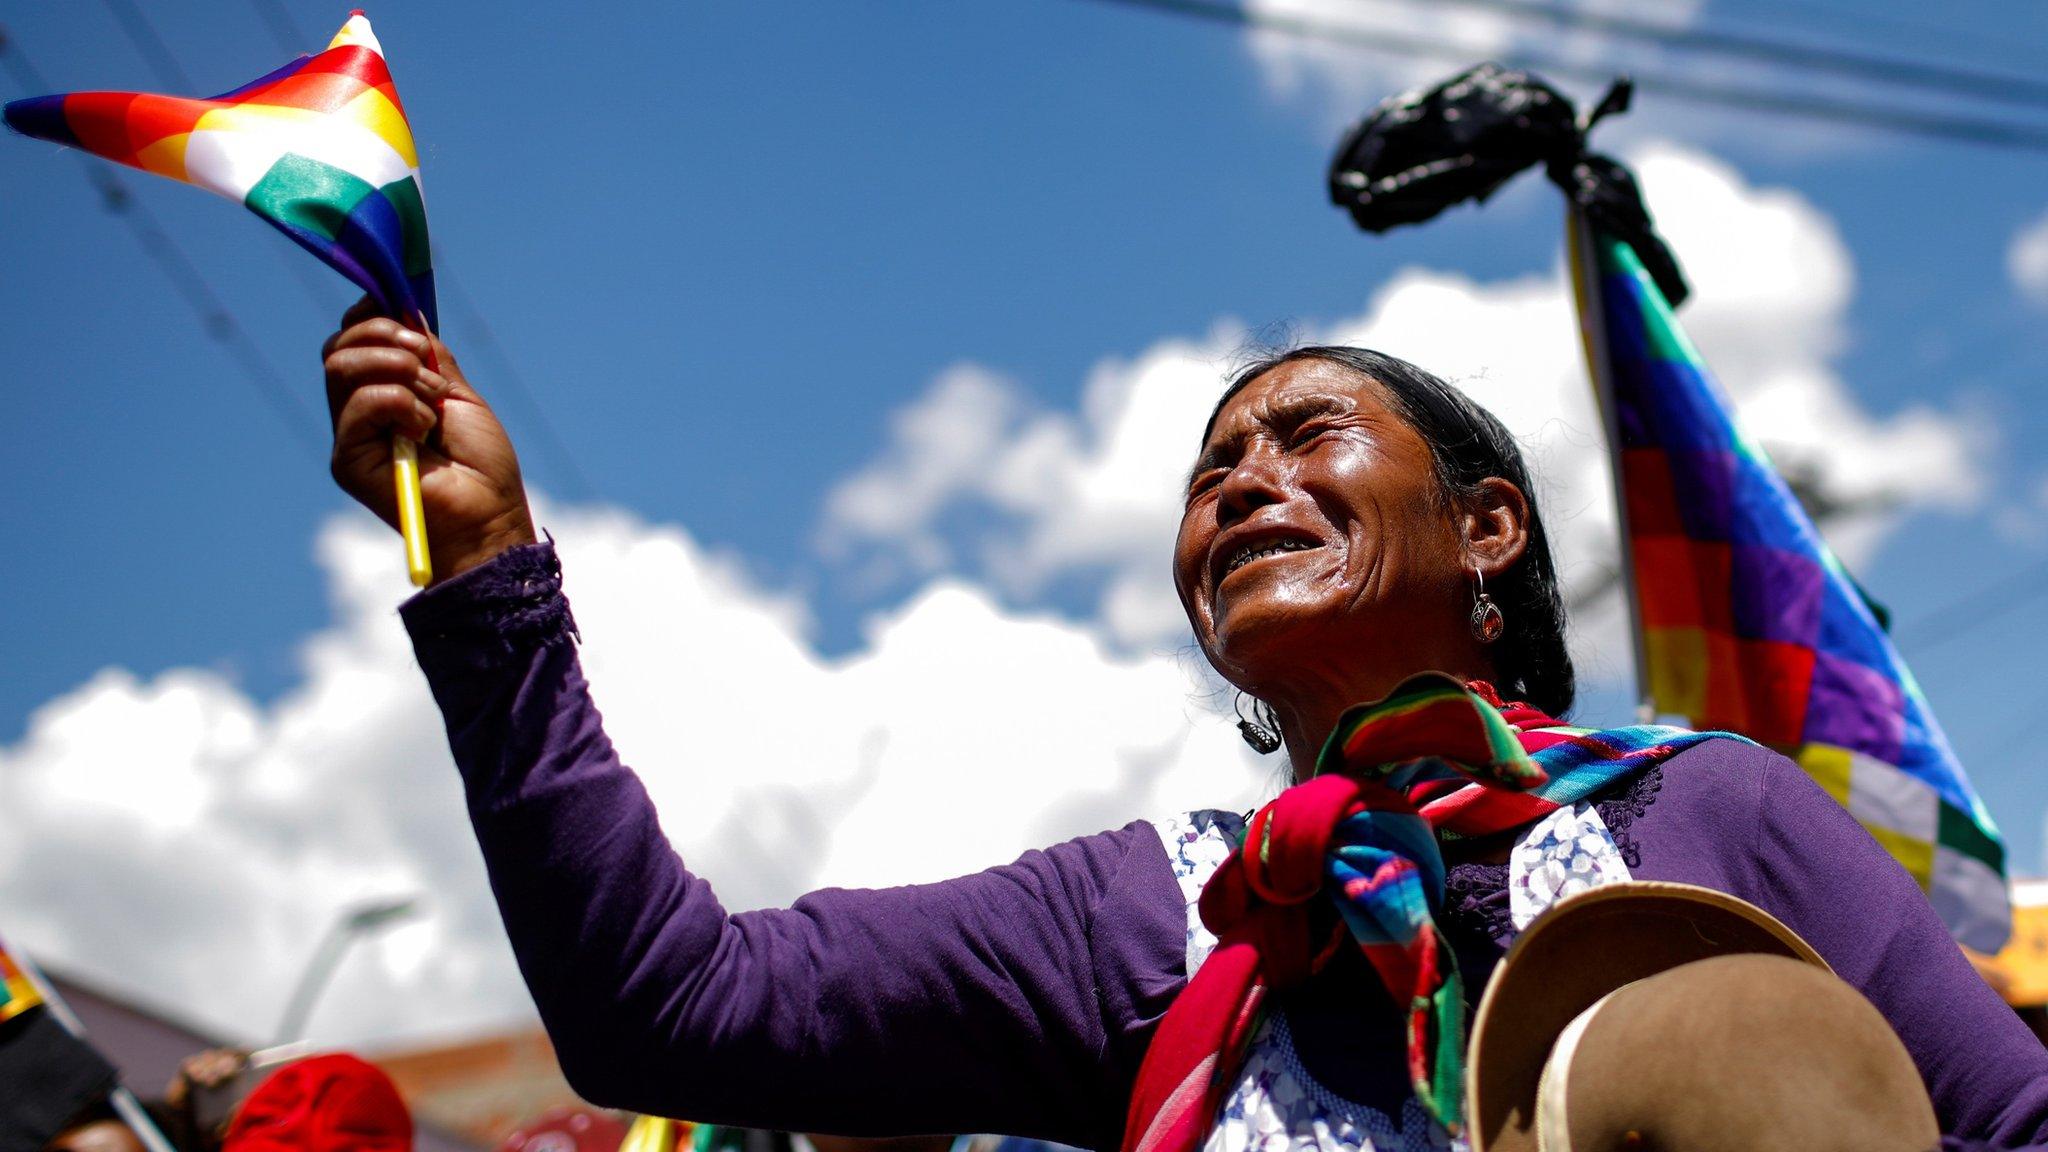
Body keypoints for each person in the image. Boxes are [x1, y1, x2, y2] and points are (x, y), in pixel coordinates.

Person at [322, 305, 2048, 1151]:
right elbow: (668, 1010)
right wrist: (486, 576)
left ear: (1491, 534)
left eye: (1307, 437)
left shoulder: (1718, 814)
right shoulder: (1144, 917)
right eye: (1210, 474)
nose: (1242, 483)